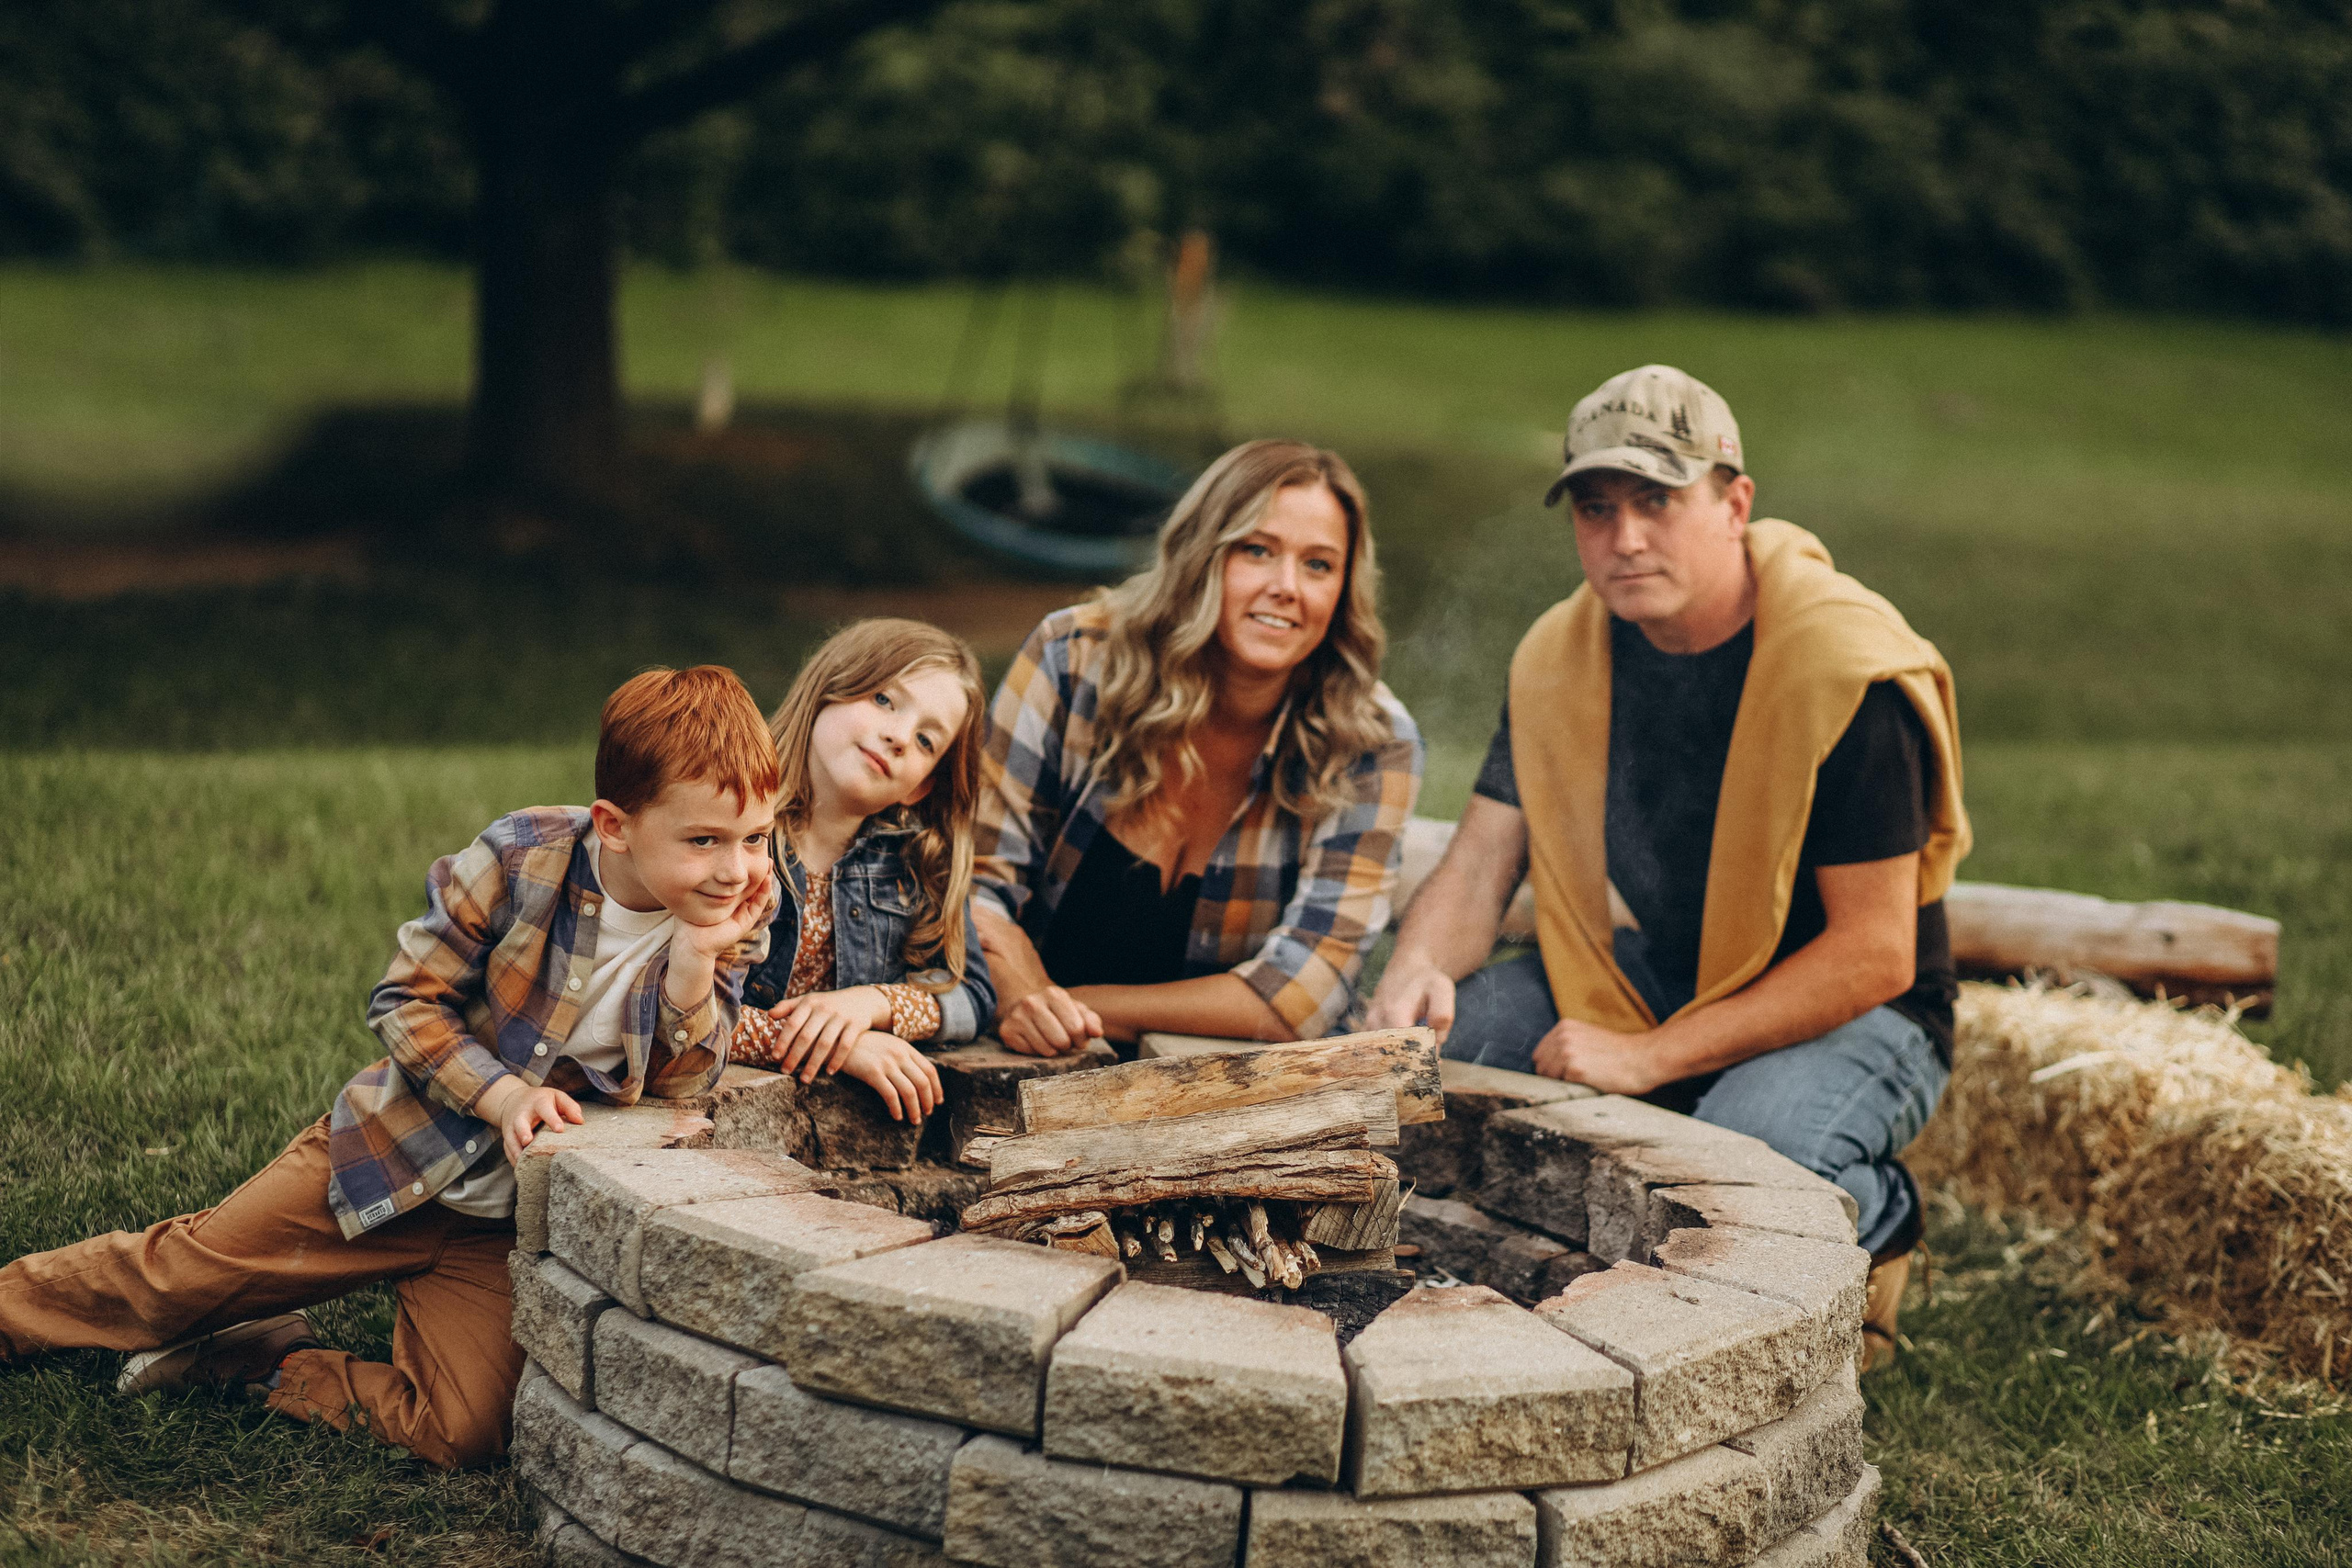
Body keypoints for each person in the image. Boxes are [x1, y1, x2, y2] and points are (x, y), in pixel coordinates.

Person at [0, 666, 781, 1466]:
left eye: (756, 836)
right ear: (615, 825)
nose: (737, 868)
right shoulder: (522, 858)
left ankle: (258, 1357)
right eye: (704, 840)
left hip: (493, 1224)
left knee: (467, 1429)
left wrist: (692, 964)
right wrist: (504, 1092)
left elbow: (681, 1090)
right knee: (173, 1282)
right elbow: (405, 998)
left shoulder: (737, 908)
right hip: (397, 1146)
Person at [1369, 366, 1968, 1371]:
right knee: (1443, 1058)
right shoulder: (1561, 658)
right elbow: (1480, 863)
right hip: (1661, 974)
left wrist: (1651, 1060)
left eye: (1657, 500)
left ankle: (1884, 1216)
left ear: (1735, 504)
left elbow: (1874, 954)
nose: (1625, 539)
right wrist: (1414, 969)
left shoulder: (1845, 669)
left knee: (1744, 1164)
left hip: (1865, 1009)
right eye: (1597, 510)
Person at [973, 438, 1423, 1055]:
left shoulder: (1373, 741)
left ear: (1344, 590)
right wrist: (1014, 989)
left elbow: (1301, 997)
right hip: (1013, 1064)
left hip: (1230, 1105)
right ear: (1200, 556)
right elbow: (970, 880)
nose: (1287, 586)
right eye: (1257, 551)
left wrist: (1054, 1004)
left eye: (1318, 565)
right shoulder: (1072, 661)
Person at [729, 619, 996, 1121]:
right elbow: (671, 1008)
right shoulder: (728, 833)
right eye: (884, 700)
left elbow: (975, 995)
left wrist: (870, 1005)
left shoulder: (916, 866)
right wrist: (839, 1048)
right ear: (831, 687)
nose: (898, 736)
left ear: (920, 786)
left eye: (925, 741)